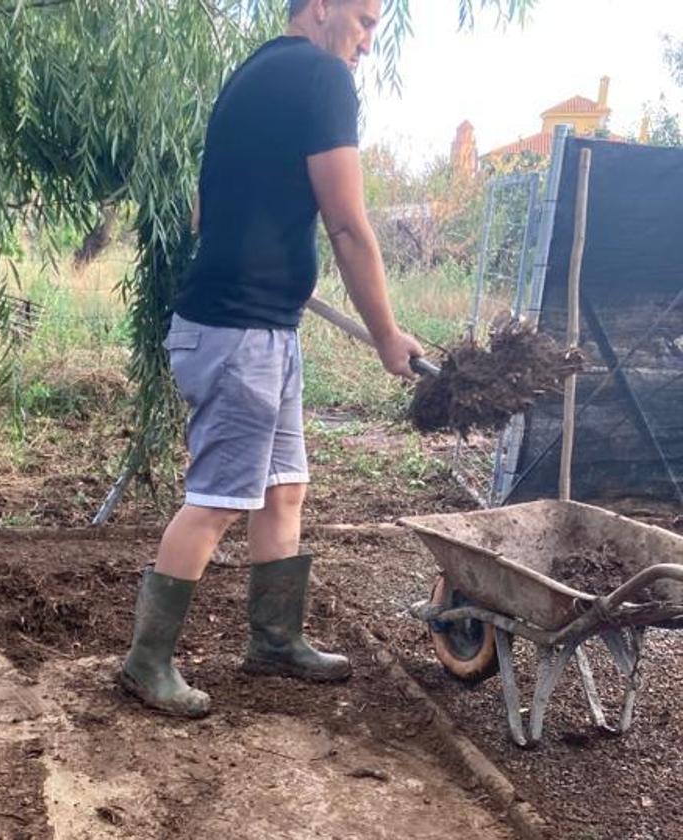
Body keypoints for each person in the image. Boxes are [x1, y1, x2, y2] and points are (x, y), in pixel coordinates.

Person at [119, 0, 425, 718]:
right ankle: (145, 661)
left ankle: (275, 640)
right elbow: (348, 224)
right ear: (320, 7)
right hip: (240, 334)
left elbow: (205, 207)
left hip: (261, 329)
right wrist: (386, 335)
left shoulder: (253, 73)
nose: (368, 42)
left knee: (284, 488)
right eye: (365, 21)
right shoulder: (321, 77)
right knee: (219, 500)